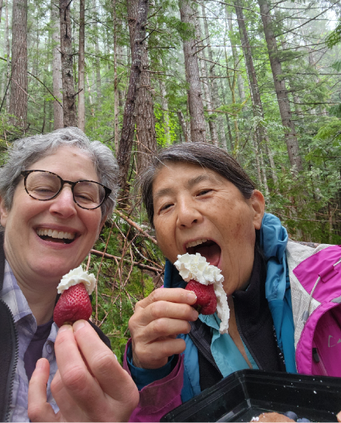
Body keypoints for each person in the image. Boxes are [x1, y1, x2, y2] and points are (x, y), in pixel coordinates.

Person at [124, 142, 339, 421]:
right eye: (166, 206)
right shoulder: (162, 329)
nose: (186, 215)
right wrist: (148, 374)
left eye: (203, 192)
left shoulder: (331, 282)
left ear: (255, 209)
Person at [0, 127, 139, 422]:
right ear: (4, 204)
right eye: (43, 188)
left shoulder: (95, 355)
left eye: (85, 195)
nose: (65, 206)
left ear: (100, 223)